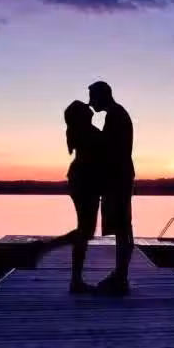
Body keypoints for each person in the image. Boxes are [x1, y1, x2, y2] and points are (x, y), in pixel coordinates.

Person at [38, 100, 102, 293]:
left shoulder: (79, 131)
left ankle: (75, 279)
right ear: (82, 115)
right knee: (85, 231)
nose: (90, 108)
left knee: (85, 231)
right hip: (85, 182)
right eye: (86, 108)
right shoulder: (88, 132)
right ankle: (49, 248)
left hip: (80, 180)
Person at [88, 80, 134, 295]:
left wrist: (90, 132)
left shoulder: (115, 115)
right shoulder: (116, 114)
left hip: (118, 178)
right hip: (119, 177)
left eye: (92, 98)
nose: (90, 103)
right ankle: (120, 276)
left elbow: (110, 149)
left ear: (102, 96)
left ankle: (121, 278)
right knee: (122, 227)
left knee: (122, 228)